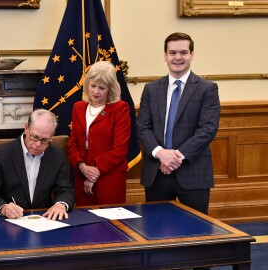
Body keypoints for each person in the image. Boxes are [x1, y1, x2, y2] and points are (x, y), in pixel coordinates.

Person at [137, 32, 220, 215]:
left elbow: (207, 130)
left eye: (183, 52)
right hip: (157, 173)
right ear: (165, 55)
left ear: (192, 55)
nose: (178, 57)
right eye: (172, 53)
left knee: (196, 233)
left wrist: (175, 157)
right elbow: (142, 127)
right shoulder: (151, 89)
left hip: (193, 173)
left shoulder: (207, 89)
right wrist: (161, 154)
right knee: (155, 230)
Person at [0, 109, 75, 220]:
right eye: (34, 137)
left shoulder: (57, 156)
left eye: (45, 140)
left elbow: (66, 190)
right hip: (10, 220)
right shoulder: (2, 154)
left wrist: (61, 204)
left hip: (44, 219)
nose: (38, 144)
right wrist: (4, 208)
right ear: (26, 129)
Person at [67, 61, 131, 206]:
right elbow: (72, 143)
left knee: (111, 222)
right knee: (84, 222)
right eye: (93, 86)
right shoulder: (78, 107)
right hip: (82, 174)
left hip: (110, 176)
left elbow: (119, 149)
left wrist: (95, 172)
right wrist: (83, 167)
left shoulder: (120, 108)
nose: (96, 91)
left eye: (102, 88)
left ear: (110, 88)